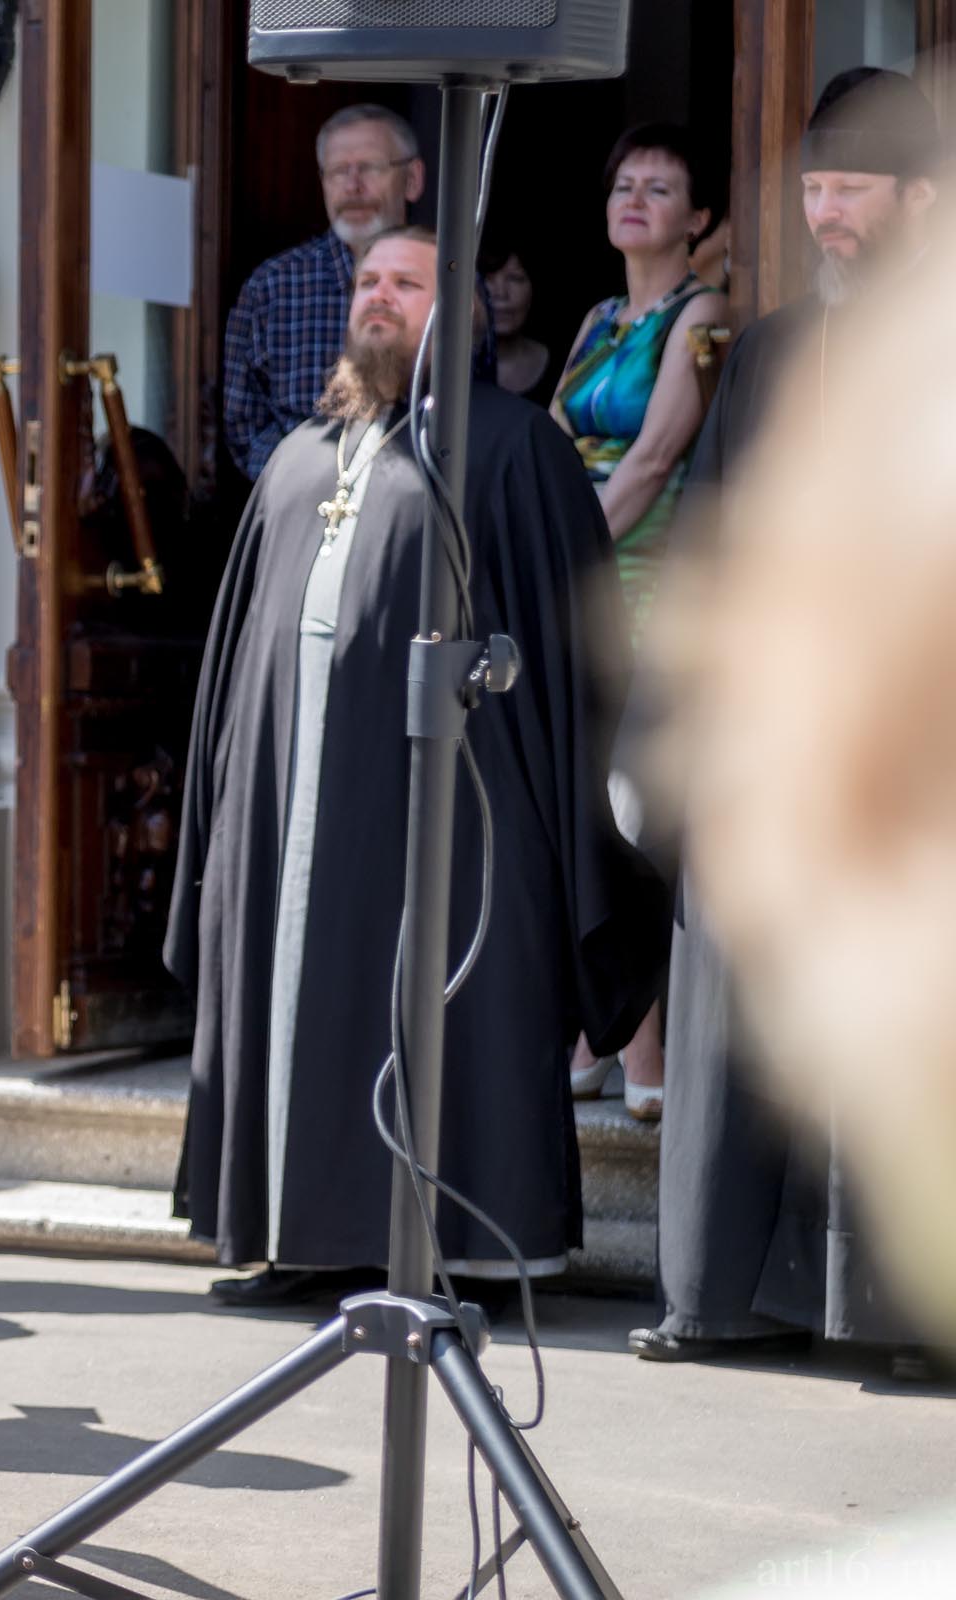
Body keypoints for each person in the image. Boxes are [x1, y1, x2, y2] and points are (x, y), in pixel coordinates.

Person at [168, 226, 665, 1309]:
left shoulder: (512, 449)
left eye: (407, 281)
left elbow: (579, 651)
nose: (378, 298)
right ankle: (300, 1235)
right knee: (302, 989)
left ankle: (457, 1248)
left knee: (442, 994)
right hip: (298, 801)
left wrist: (561, 815)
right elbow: (235, 665)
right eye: (367, 281)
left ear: (462, 311)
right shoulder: (300, 459)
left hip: (459, 806)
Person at [628, 66, 942, 1375]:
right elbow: (706, 540)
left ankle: (900, 1316)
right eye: (813, 187)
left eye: (848, 189)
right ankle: (719, 1297)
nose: (823, 213)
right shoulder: (762, 349)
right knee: (733, 1004)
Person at [549, 125, 728, 1121]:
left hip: (651, 588)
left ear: (697, 219)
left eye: (659, 188)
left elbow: (656, 455)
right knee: (581, 801)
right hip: (585, 575)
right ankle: (603, 1026)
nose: (635, 199)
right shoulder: (598, 317)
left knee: (632, 808)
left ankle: (640, 1041)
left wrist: (560, 551)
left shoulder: (706, 313)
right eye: (623, 184)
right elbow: (554, 436)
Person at [222, 105, 428, 481]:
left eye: (370, 167)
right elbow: (244, 428)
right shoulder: (272, 288)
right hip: (306, 513)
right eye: (338, 171)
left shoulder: (450, 282)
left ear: (412, 179)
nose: (353, 186)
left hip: (420, 512)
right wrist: (306, 486)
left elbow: (475, 410)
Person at [480, 237, 555, 408]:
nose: (501, 294)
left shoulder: (563, 365)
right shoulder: (448, 368)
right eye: (488, 279)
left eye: (515, 278)